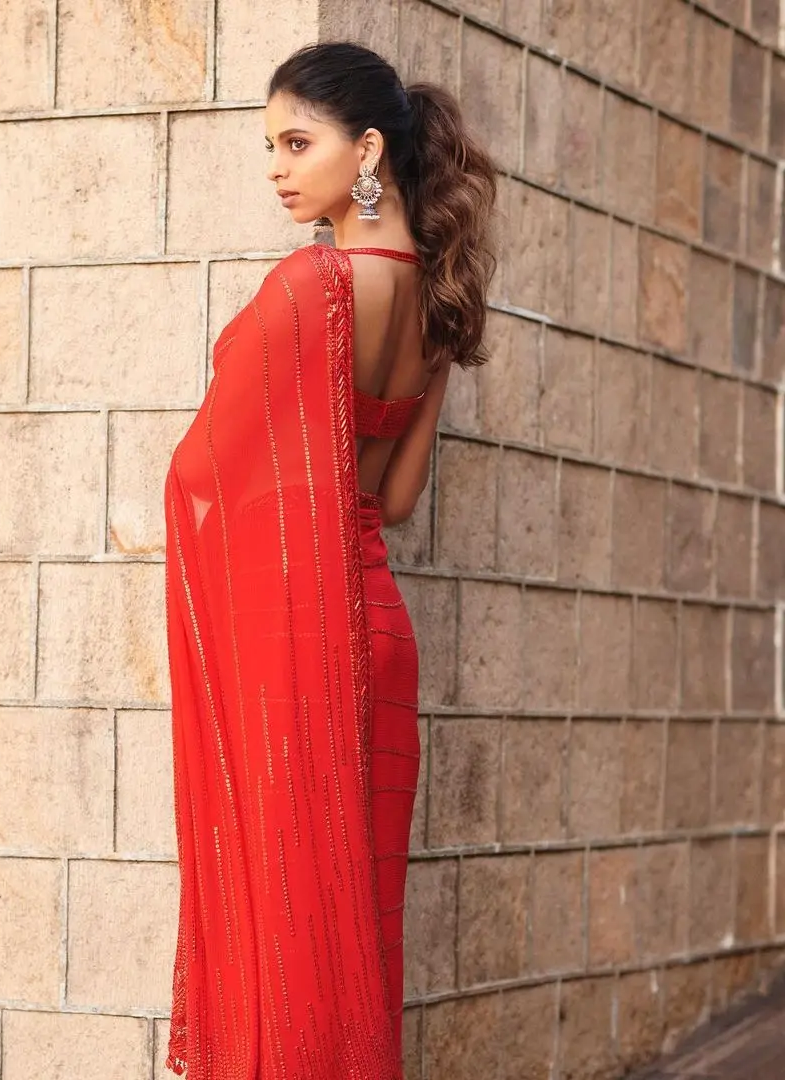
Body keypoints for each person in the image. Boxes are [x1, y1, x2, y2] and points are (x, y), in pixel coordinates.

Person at [163, 41, 497, 1079]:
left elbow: (200, 468)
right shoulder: (440, 299)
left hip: (305, 647)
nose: (276, 167)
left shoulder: (317, 282)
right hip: (381, 640)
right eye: (270, 146)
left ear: (366, 152)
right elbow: (390, 500)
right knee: (356, 930)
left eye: (295, 142)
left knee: (291, 926)